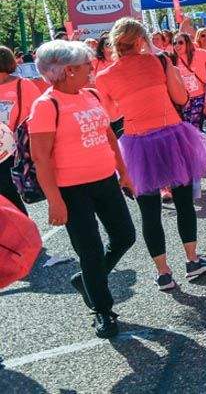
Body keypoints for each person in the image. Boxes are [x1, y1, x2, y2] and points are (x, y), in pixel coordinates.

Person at [95, 19, 206, 291]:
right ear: (140, 40)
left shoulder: (103, 77)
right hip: (172, 135)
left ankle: (163, 273)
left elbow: (112, 115)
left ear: (113, 44)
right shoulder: (159, 60)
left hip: (137, 143)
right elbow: (182, 98)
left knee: (149, 212)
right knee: (184, 203)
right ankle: (193, 260)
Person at [29, 40, 137, 339]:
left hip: (104, 180)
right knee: (89, 250)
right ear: (67, 71)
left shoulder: (90, 94)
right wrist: (54, 201)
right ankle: (102, 310)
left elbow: (108, 136)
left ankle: (89, 278)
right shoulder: (46, 106)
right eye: (85, 64)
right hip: (71, 189)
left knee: (125, 235)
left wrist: (124, 172)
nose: (91, 67)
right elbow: (40, 158)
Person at [0, 46, 41, 213]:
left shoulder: (24, 85)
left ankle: (24, 234)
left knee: (12, 200)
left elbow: (39, 115)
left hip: (17, 152)